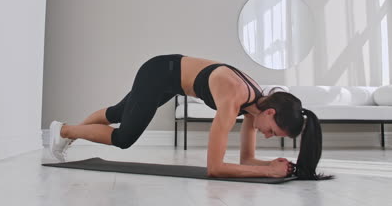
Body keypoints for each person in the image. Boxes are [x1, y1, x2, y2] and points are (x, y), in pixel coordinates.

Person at [49, 54, 333, 180]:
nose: (267, 135)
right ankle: (63, 131)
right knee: (124, 137)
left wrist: (270, 164)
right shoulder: (235, 97)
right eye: (272, 131)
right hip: (160, 72)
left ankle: (64, 136)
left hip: (170, 80)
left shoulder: (253, 109)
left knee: (117, 113)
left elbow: (246, 161)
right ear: (270, 112)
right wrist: (267, 171)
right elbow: (215, 167)